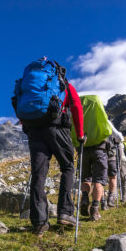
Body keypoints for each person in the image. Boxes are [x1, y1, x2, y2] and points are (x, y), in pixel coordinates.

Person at [23, 80, 84, 237]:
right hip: (58, 127)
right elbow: (76, 107)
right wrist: (80, 134)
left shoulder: (28, 85)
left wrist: (28, 127)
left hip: (35, 130)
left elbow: (18, 103)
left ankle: (39, 222)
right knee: (68, 167)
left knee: (38, 174)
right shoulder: (63, 84)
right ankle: (65, 213)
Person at [103, 120, 124, 208]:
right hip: (111, 156)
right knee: (113, 177)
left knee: (99, 180)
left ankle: (101, 201)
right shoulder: (107, 122)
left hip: (99, 154)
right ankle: (110, 198)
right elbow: (119, 138)